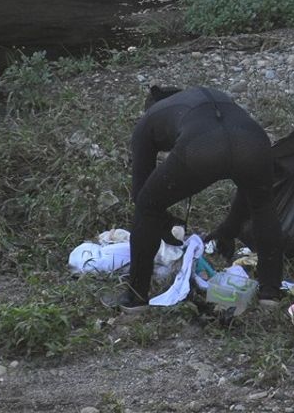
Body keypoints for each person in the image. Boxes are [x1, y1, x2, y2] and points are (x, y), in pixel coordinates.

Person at [103, 86, 283, 311]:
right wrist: (228, 231)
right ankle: (270, 294)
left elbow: (143, 197)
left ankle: (135, 297)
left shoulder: (149, 120)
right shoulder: (208, 97)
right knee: (262, 204)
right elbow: (248, 189)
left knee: (147, 206)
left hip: (203, 145)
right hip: (252, 139)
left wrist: (165, 222)